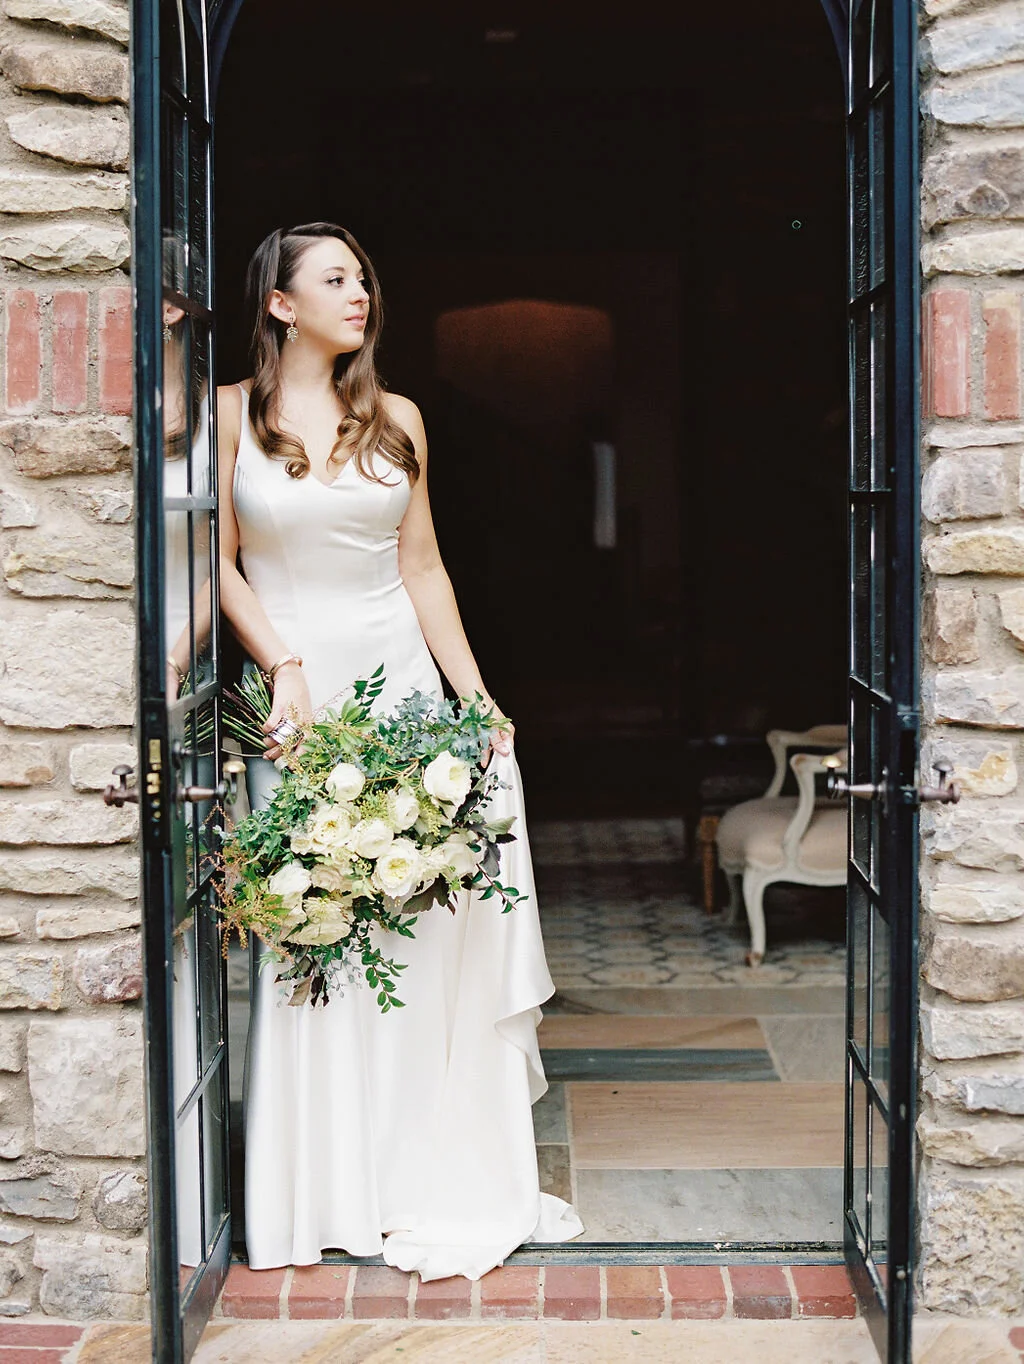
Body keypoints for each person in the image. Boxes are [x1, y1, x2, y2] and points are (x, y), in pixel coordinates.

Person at [217, 221, 582, 1279]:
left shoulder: (400, 418)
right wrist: (281, 663)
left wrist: (476, 702)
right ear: (281, 302)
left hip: (405, 703)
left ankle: (421, 1170)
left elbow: (423, 570)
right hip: (298, 704)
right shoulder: (229, 414)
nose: (359, 293)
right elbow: (215, 563)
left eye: (363, 277)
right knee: (310, 937)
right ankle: (325, 1186)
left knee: (417, 942)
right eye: (334, 278)